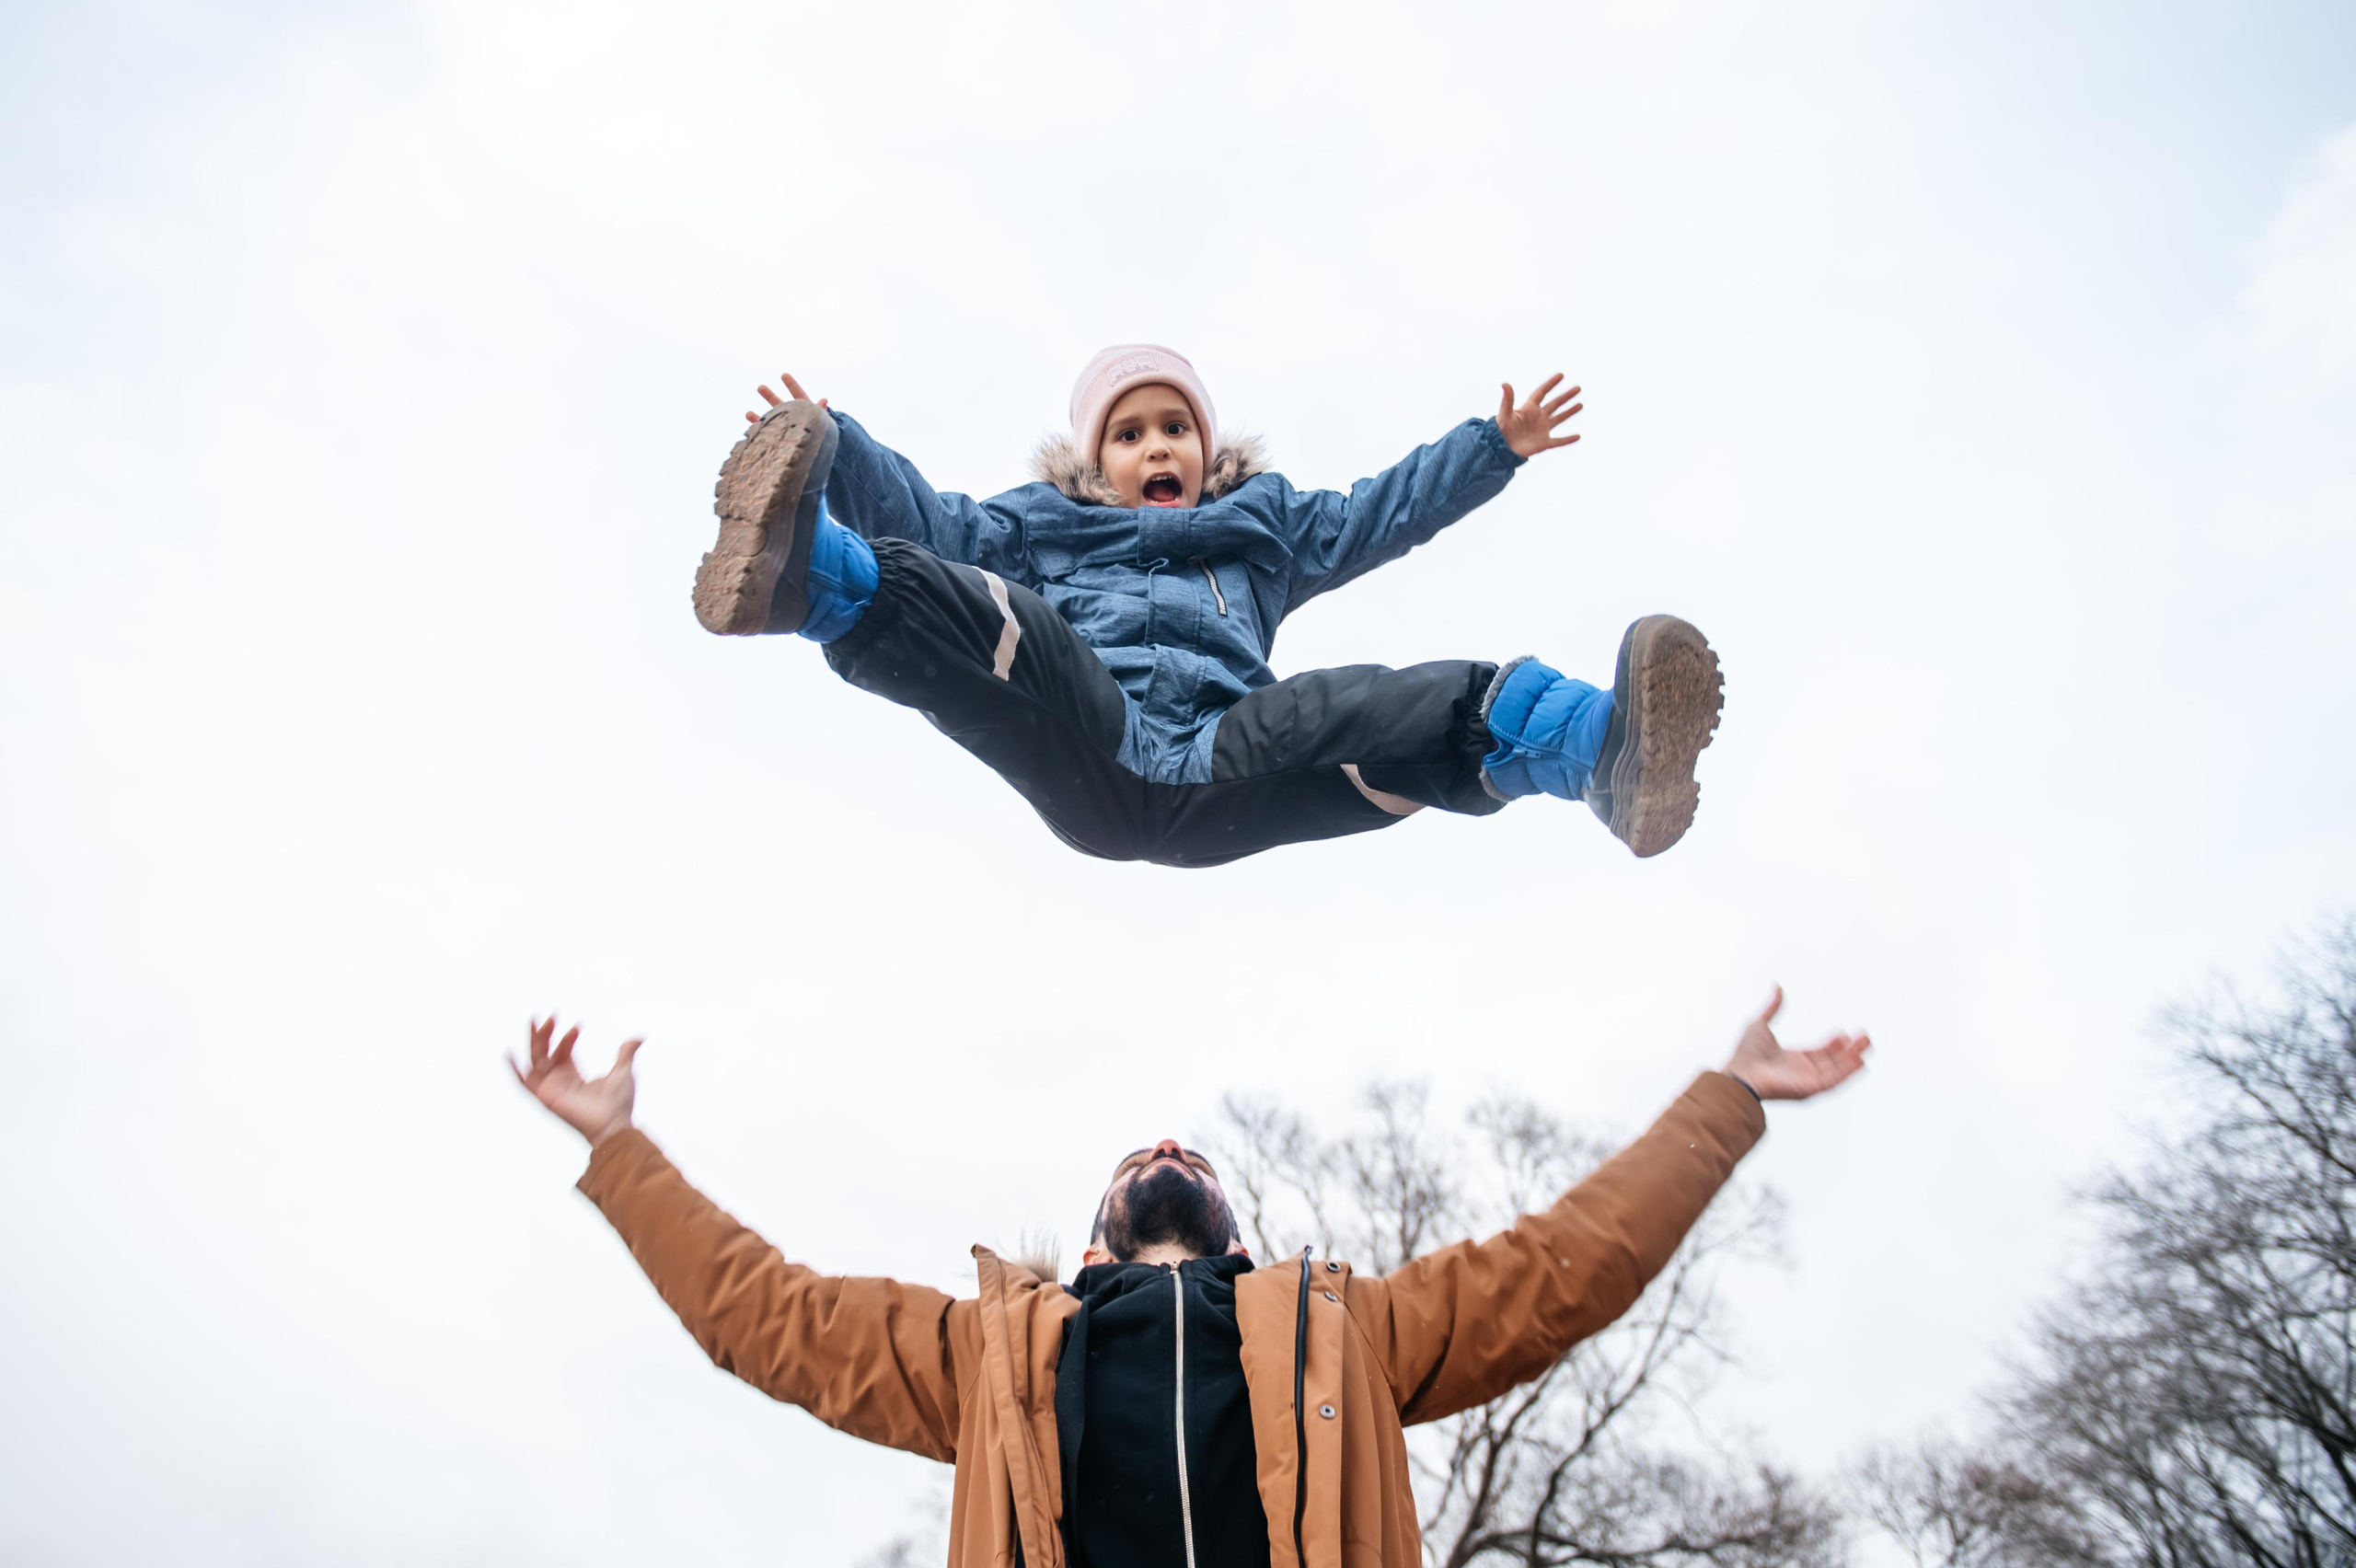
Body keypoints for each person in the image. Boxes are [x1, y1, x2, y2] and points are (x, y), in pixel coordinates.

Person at [511, 991, 1869, 1568]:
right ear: (1092, 1243)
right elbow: (771, 1318)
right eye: (1140, 1152)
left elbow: (1566, 1265)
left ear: (1234, 1234)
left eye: (1191, 1152)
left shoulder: (1347, 1334)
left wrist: (1730, 1096)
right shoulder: (993, 1360)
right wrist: (621, 1149)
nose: (1166, 1146)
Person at [691, 345, 1725, 868]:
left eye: (1173, 428)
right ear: (1095, 459)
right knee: (993, 616)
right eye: (1130, 434)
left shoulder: (1263, 530)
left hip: (1230, 757)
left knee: (1380, 704)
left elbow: (1379, 513)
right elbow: (932, 517)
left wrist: (1489, 449)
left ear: (1205, 447)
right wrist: (840, 443)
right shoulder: (1041, 528)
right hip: (1090, 736)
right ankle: (803, 571)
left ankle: (1602, 751)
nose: (1156, 449)